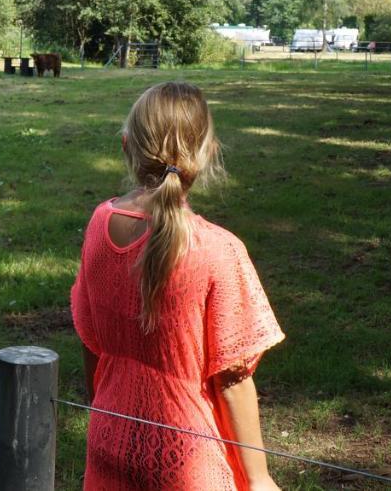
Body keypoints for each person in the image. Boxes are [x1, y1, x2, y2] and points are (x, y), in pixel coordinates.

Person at [71, 81, 285, 490]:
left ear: (125, 146)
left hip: (107, 434)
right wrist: (259, 478)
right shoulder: (219, 249)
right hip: (186, 460)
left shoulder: (99, 224)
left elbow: (89, 338)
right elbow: (233, 378)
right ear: (207, 154)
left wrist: (101, 405)